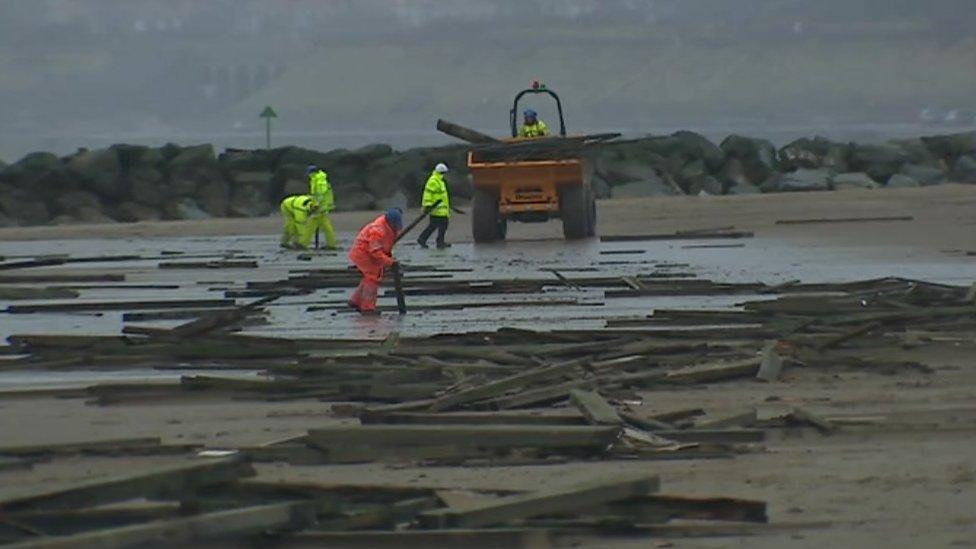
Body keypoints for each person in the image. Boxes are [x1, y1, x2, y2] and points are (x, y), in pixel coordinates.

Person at [347, 207, 403, 315]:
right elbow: (375, 252)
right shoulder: (378, 230)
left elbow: (385, 245)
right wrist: (390, 262)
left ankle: (355, 301)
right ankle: (368, 308)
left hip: (366, 252)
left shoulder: (388, 227)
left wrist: (388, 257)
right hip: (363, 253)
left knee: (370, 276)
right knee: (373, 277)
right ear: (391, 223)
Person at [417, 163, 452, 249]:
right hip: (436, 209)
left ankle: (427, 239)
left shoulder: (439, 181)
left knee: (435, 226)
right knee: (439, 226)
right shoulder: (434, 181)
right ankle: (436, 242)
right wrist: (428, 206)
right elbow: (428, 194)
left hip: (441, 209)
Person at [306, 165, 337, 249]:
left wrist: (316, 204)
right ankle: (331, 244)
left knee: (313, 224)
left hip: (321, 206)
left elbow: (320, 194)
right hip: (321, 206)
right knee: (324, 225)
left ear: (311, 173)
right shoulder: (316, 179)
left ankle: (303, 243)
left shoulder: (319, 180)